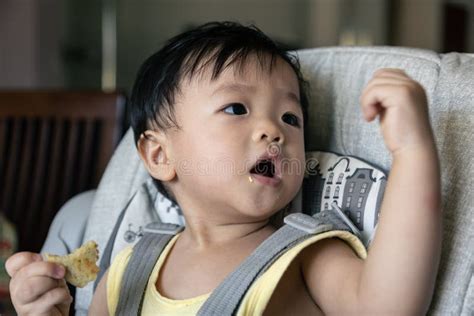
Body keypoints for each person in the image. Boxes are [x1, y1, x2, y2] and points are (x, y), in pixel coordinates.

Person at [6, 21, 441, 315]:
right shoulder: (127, 268)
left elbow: (389, 305)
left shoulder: (306, 254)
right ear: (160, 156)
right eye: (236, 108)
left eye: (291, 119)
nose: (274, 130)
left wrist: (412, 151)